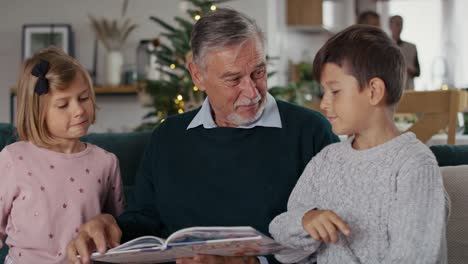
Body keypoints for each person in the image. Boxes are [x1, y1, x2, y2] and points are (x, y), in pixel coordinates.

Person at [67, 8, 338, 264]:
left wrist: (251, 262)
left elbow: (336, 241)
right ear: (197, 75)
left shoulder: (310, 131)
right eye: (233, 79)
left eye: (259, 72)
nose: (252, 92)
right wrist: (108, 224)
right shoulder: (168, 136)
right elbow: (143, 221)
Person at [269, 25, 447, 263]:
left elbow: (412, 257)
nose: (324, 103)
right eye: (324, 92)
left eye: (335, 91)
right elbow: (284, 250)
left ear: (373, 91)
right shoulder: (326, 160)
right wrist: (306, 221)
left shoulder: (414, 164)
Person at [0, 47, 124, 264]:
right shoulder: (13, 159)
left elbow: (117, 228)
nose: (78, 110)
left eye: (84, 98)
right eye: (63, 104)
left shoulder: (106, 162)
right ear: (38, 112)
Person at [389, 15, 420, 90]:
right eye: (397, 24)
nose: (399, 27)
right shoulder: (384, 46)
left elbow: (418, 72)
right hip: (391, 89)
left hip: (408, 88)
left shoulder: (411, 47)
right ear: (390, 26)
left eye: (401, 24)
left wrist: (410, 69)